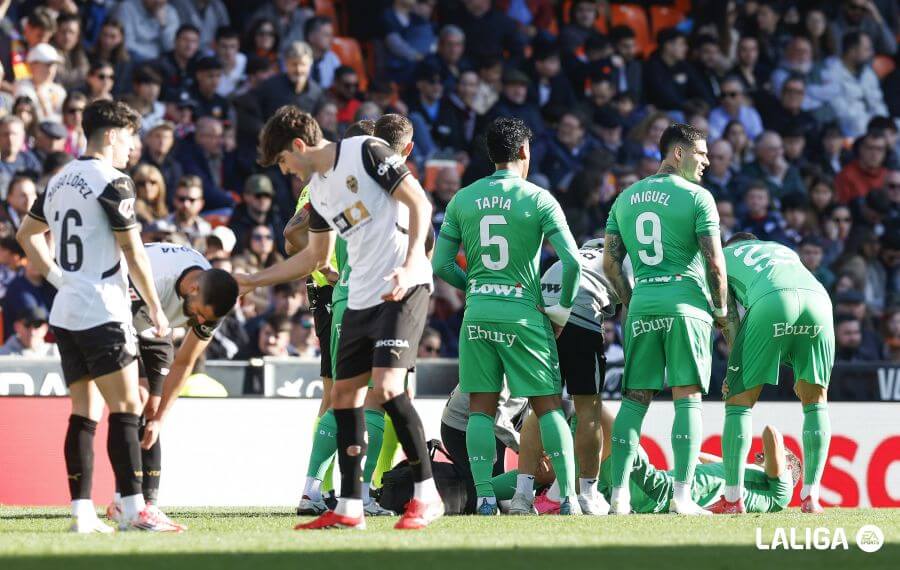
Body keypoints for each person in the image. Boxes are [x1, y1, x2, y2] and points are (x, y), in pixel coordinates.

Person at [239, 105, 442, 531]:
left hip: (403, 286)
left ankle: (427, 494)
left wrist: (409, 264)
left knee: (386, 388)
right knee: (344, 396)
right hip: (360, 293)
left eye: (283, 162)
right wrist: (253, 280)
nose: (286, 172)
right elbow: (314, 256)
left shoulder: (365, 150)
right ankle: (350, 505)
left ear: (298, 146)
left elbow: (419, 202)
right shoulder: (320, 189)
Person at [16, 99, 173, 532]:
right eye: (129, 137)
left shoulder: (59, 178)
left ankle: (82, 513)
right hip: (103, 310)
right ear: (109, 135)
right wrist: (156, 310)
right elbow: (133, 250)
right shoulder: (113, 181)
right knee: (126, 406)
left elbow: (26, 234)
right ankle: (133, 507)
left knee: (84, 413)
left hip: (66, 311)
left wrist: (55, 276)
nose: (132, 147)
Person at [432, 117, 582, 515]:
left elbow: (441, 263)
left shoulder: (462, 199)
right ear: (523, 152)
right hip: (523, 313)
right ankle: (568, 497)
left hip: (478, 315)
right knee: (547, 405)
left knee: (480, 407)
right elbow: (571, 262)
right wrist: (561, 312)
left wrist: (476, 287)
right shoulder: (538, 198)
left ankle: (483, 497)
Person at [602, 123, 728, 515]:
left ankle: (619, 496)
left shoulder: (625, 198)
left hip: (643, 306)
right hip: (686, 305)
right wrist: (722, 311)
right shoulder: (698, 198)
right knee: (687, 399)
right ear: (678, 153)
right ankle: (682, 497)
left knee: (634, 400)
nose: (707, 161)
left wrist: (631, 300)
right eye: (701, 154)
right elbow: (714, 262)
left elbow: (610, 262)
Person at [105, 242, 238, 525]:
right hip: (118, 313)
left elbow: (185, 361)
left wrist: (160, 418)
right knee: (137, 398)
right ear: (192, 290)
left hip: (157, 325)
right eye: (200, 313)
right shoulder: (151, 277)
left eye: (206, 319)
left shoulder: (211, 300)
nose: (200, 321)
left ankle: (149, 503)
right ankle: (124, 499)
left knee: (153, 410)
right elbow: (117, 325)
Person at [709, 233, 835, 515]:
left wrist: (736, 369)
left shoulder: (723, 256)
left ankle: (733, 498)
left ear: (730, 245)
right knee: (816, 402)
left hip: (772, 299)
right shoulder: (782, 249)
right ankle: (811, 496)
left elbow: (728, 318)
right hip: (819, 301)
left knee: (738, 404)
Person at [509, 237, 624, 516]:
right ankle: (587, 494)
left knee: (542, 407)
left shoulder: (573, 255)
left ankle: (522, 497)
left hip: (540, 317)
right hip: (580, 316)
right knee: (589, 411)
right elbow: (629, 306)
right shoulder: (624, 258)